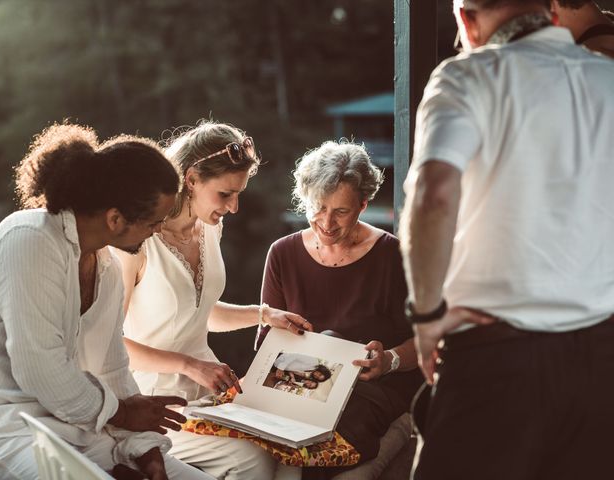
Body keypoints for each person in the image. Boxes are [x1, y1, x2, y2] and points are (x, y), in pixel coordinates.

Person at [400, 1, 614, 479]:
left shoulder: (467, 76)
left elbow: (433, 196)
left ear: (466, 21)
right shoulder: (607, 80)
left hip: (496, 356)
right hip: (603, 361)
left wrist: (427, 317)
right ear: (549, 11)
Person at [0, 124, 212, 479]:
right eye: (153, 222)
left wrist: (145, 449)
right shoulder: (28, 239)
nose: (158, 231)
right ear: (115, 219)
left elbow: (113, 370)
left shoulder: (107, 268)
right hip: (2, 432)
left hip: (78, 431)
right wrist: (124, 414)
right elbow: (40, 369)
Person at [113, 120, 309, 480]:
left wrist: (265, 315)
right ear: (191, 180)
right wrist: (188, 364)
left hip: (212, 393)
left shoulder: (210, 227)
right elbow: (109, 342)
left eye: (239, 195)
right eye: (225, 194)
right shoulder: (138, 242)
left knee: (290, 454)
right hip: (156, 402)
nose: (234, 207)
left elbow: (199, 313)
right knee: (253, 461)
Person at [258, 140, 423, 476]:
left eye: (341, 211)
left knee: (332, 454)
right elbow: (266, 344)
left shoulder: (392, 255)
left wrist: (388, 360)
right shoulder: (282, 253)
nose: (327, 223)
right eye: (318, 207)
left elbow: (425, 343)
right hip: (304, 390)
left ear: (363, 205)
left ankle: (399, 430)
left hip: (375, 392)